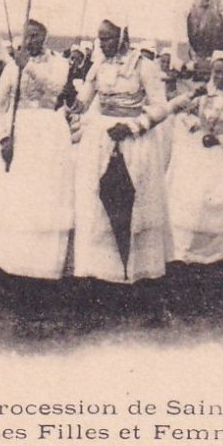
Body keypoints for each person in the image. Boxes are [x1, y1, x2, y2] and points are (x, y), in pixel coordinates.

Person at [0, 19, 74, 280]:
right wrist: (4, 136)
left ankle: (41, 264)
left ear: (46, 36)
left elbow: (56, 88)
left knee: (42, 198)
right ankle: (7, 261)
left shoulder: (60, 64)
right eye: (27, 36)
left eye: (37, 35)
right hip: (18, 132)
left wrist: (27, 66)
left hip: (49, 134)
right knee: (13, 198)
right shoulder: (11, 68)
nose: (31, 41)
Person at [70, 19, 171, 283]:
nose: (102, 44)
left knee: (133, 202)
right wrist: (70, 107)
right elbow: (82, 103)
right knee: (97, 203)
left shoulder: (145, 66)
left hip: (133, 141)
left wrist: (134, 126)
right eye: (100, 39)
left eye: (108, 39)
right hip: (100, 140)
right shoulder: (98, 65)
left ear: (123, 37)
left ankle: (135, 271)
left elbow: (161, 107)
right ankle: (101, 271)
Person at [165, 52, 223, 264]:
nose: (220, 77)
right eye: (217, 72)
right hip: (201, 151)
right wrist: (195, 126)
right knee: (195, 198)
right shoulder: (204, 96)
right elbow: (185, 114)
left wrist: (221, 140)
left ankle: (219, 249)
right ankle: (193, 247)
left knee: (221, 198)